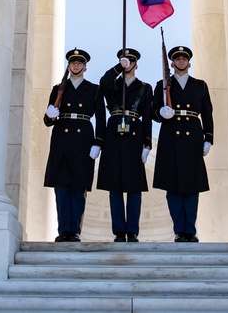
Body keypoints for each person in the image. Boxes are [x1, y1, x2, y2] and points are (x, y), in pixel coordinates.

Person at [151, 45, 213, 242]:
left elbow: (207, 113)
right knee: (174, 187)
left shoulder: (199, 85)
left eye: (183, 59)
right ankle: (179, 230)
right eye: (177, 59)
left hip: (192, 137)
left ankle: (190, 230)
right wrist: (161, 112)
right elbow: (153, 110)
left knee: (192, 186)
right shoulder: (162, 85)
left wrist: (209, 137)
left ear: (188, 62)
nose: (180, 62)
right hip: (171, 137)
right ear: (171, 63)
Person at [43, 48, 106, 242]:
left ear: (85, 67)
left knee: (78, 187)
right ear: (68, 66)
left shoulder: (94, 89)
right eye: (73, 62)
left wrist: (98, 142)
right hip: (62, 137)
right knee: (61, 187)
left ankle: (75, 230)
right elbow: (47, 121)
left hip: (83, 139)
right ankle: (64, 230)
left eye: (79, 63)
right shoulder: (58, 89)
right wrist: (49, 115)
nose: (76, 65)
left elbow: (101, 120)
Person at [96, 48, 152, 242]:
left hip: (135, 136)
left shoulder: (145, 87)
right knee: (115, 186)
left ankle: (132, 230)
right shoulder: (113, 84)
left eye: (130, 62)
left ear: (136, 64)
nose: (128, 64)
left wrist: (147, 144)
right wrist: (117, 68)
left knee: (134, 187)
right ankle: (119, 230)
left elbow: (147, 119)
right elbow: (102, 83)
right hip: (113, 135)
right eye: (124, 61)